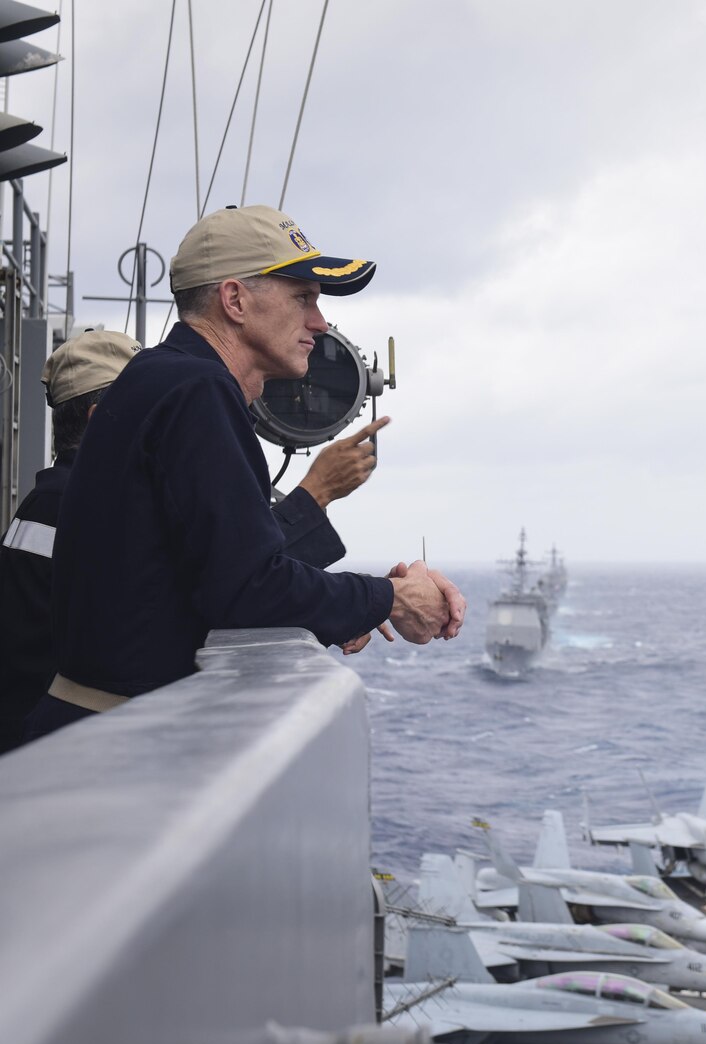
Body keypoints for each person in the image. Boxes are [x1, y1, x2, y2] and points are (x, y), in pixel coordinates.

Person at [22, 204, 464, 744]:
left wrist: (358, 603)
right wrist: (392, 598)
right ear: (234, 300)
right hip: (119, 743)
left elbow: (204, 575)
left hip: (90, 732)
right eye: (303, 297)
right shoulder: (197, 392)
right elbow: (247, 589)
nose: (320, 324)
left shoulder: (160, 377)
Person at [0, 333, 398, 752]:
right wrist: (315, 498)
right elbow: (227, 590)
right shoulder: (75, 507)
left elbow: (207, 575)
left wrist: (348, 607)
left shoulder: (54, 499)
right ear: (103, 418)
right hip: (58, 750)